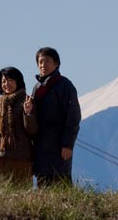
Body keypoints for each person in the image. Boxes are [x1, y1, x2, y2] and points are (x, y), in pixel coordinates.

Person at [31, 46, 81, 187]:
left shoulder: (65, 86)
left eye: (47, 61)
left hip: (59, 145)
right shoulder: (37, 88)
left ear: (56, 63)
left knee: (61, 183)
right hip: (41, 146)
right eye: (40, 62)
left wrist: (67, 144)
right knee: (42, 184)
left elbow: (73, 117)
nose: (43, 65)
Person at [0, 66, 38, 186]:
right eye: (3, 81)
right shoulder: (1, 104)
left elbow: (32, 130)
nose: (7, 84)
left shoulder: (27, 101)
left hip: (21, 158)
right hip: (2, 158)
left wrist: (28, 113)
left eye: (10, 80)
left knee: (21, 195)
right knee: (1, 198)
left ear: (18, 81)